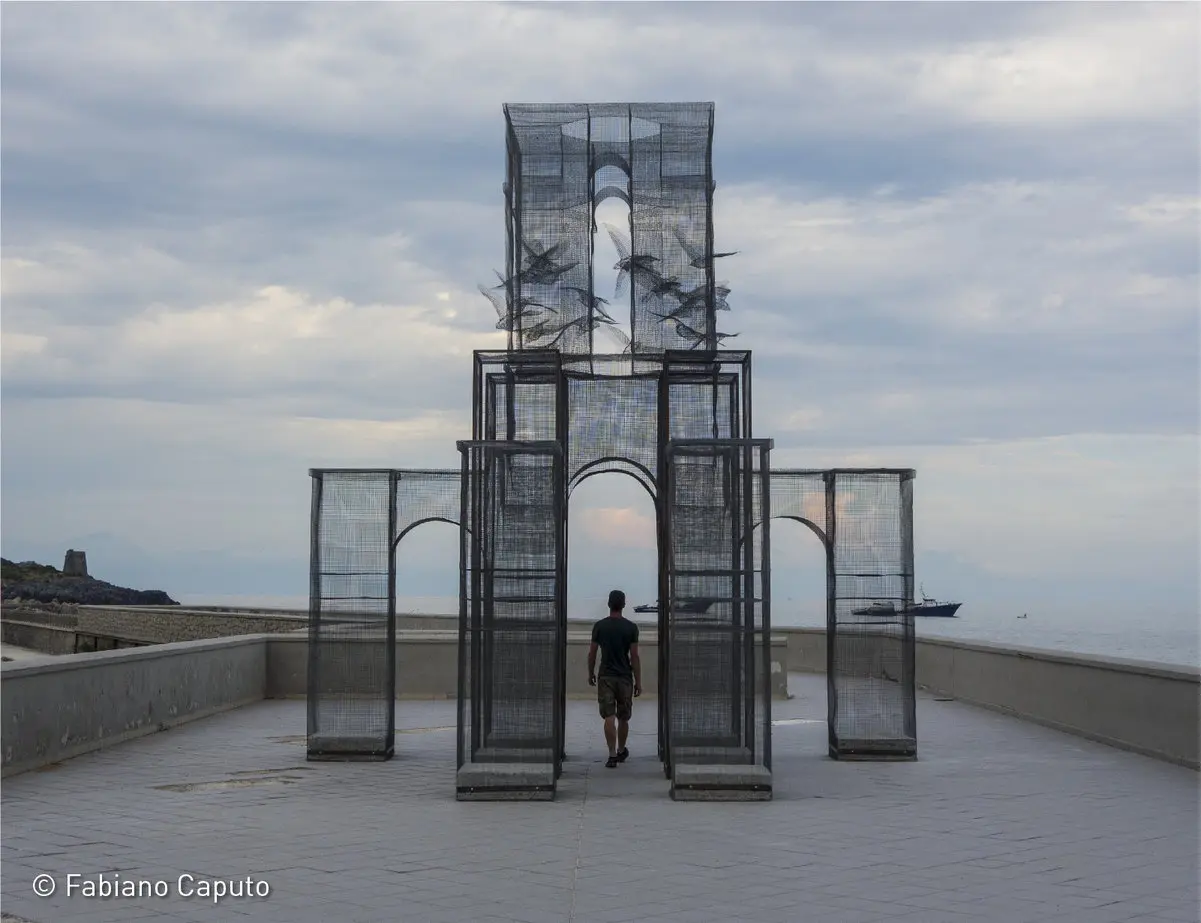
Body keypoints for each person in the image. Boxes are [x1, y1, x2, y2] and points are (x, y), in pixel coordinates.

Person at [588, 589, 642, 769]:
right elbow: (634, 656)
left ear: (609, 604)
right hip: (625, 677)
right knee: (624, 717)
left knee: (609, 716)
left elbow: (593, 653)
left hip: (606, 676)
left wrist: (591, 673)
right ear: (624, 605)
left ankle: (611, 755)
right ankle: (621, 750)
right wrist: (638, 681)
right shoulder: (631, 628)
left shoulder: (600, 626)